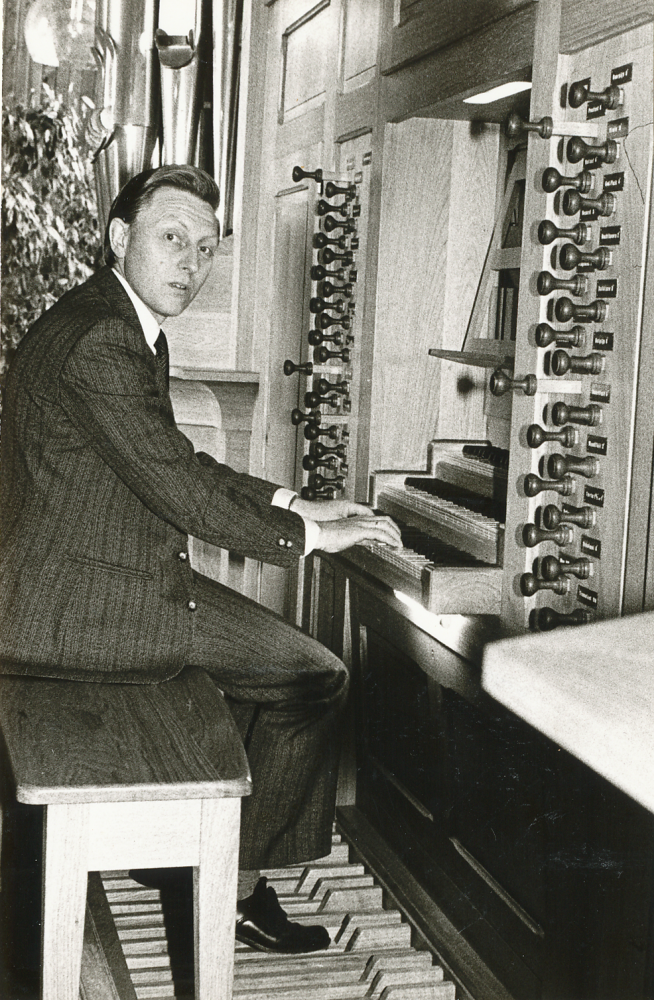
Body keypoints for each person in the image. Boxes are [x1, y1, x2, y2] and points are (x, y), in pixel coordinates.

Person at [0, 164, 401, 955]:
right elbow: (181, 488)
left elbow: (175, 461)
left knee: (270, 664)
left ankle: (201, 850)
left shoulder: (111, 318)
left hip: (80, 577)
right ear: (121, 238)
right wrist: (312, 543)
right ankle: (236, 886)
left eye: (206, 248)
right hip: (75, 609)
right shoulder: (102, 339)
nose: (191, 262)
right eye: (172, 238)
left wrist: (292, 502)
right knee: (313, 677)